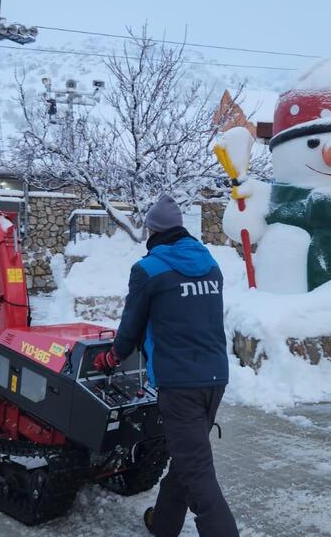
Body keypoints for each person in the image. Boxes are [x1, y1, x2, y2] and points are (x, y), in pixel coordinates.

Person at [93, 194, 239, 537]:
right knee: (188, 461)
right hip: (215, 377)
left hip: (180, 384)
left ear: (152, 231)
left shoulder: (148, 269)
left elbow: (131, 329)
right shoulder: (209, 263)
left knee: (198, 473)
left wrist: (110, 358)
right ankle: (163, 524)